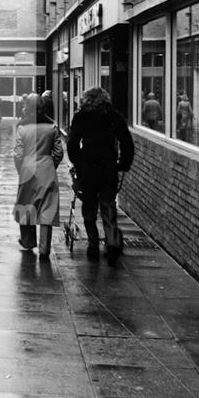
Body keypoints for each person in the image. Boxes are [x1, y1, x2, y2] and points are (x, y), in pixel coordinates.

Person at [66, 87, 134, 265]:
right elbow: (127, 142)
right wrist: (123, 164)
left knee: (89, 208)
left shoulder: (81, 117)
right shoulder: (113, 117)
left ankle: (93, 245)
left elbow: (72, 143)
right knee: (108, 207)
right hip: (108, 168)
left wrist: (78, 163)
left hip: (88, 168)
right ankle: (111, 245)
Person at [13, 93, 65, 260]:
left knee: (27, 205)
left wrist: (20, 169)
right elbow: (58, 152)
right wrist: (50, 165)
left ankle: (28, 242)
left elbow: (18, 154)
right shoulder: (52, 127)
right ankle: (44, 248)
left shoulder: (22, 128)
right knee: (47, 209)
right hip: (47, 169)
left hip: (27, 169)